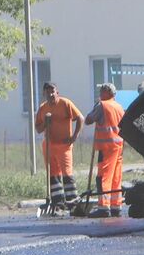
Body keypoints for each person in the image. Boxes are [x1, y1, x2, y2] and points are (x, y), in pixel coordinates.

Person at [33, 82, 84, 215]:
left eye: (53, 91)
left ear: (57, 92)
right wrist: (45, 122)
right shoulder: (43, 108)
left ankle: (73, 203)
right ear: (44, 94)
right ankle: (58, 203)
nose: (50, 94)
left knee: (67, 174)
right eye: (48, 92)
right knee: (53, 174)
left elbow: (80, 118)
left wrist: (74, 136)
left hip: (64, 146)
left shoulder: (65, 103)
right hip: (49, 146)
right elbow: (38, 129)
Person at [85, 84, 127, 217]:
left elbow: (88, 120)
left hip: (107, 147)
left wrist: (93, 111)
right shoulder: (120, 107)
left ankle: (104, 207)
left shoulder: (102, 105)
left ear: (106, 92)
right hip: (119, 146)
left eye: (101, 91)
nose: (99, 94)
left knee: (104, 177)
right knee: (116, 177)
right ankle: (116, 206)